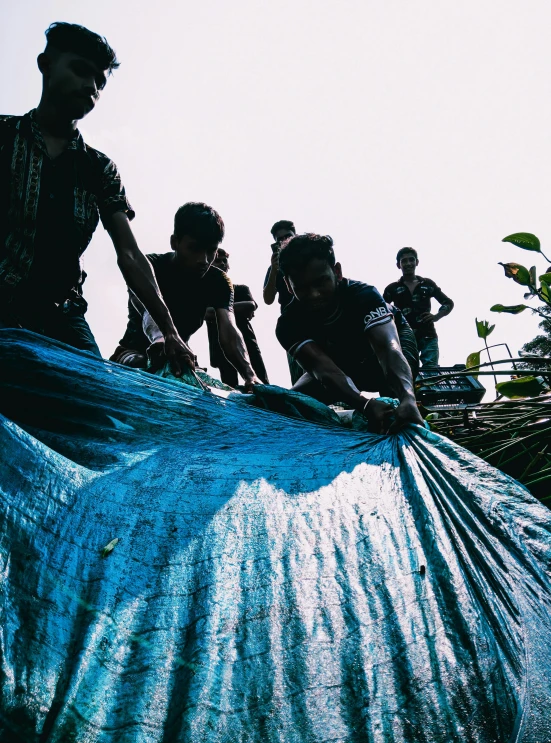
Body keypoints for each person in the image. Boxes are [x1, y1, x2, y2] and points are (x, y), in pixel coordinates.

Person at [0, 22, 190, 370]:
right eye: (80, 71)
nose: (91, 87)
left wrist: (169, 330)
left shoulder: (99, 168)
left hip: (64, 316)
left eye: (100, 83)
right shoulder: (4, 137)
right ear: (46, 65)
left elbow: (130, 254)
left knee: (95, 412)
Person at [275, 233, 424, 432]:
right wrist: (364, 404)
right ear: (288, 285)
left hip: (383, 352)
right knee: (291, 402)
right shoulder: (288, 324)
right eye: (302, 288)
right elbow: (324, 370)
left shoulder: (364, 296)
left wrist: (407, 398)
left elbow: (389, 350)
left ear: (337, 272)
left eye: (320, 282)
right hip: (340, 362)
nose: (314, 295)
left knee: (398, 400)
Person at [110, 203, 262, 391]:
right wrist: (163, 338)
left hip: (180, 359)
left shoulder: (219, 281)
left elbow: (229, 331)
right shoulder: (149, 266)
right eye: (194, 249)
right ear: (175, 242)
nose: (204, 260)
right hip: (132, 353)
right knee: (140, 364)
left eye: (211, 251)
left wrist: (249, 374)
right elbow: (146, 310)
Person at [206, 248, 269, 387]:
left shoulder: (240, 289)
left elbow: (251, 306)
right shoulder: (207, 293)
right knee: (229, 386)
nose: (222, 263)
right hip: (219, 346)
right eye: (218, 261)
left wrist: (218, 309)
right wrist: (235, 309)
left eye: (224, 260)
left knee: (261, 381)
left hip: (247, 342)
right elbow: (206, 313)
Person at [383, 247, 454, 369]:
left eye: (411, 260)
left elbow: (448, 303)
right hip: (404, 337)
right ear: (398, 265)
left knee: (431, 371)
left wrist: (436, 316)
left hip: (428, 334)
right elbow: (381, 310)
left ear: (417, 262)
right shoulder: (392, 289)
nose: (408, 263)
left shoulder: (427, 284)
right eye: (404, 261)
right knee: (407, 370)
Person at [262, 219, 302, 384]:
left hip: (318, 318)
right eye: (279, 239)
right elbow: (268, 299)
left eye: (288, 236)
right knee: (299, 370)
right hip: (293, 323)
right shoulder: (275, 268)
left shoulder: (308, 257)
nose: (284, 241)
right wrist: (274, 269)